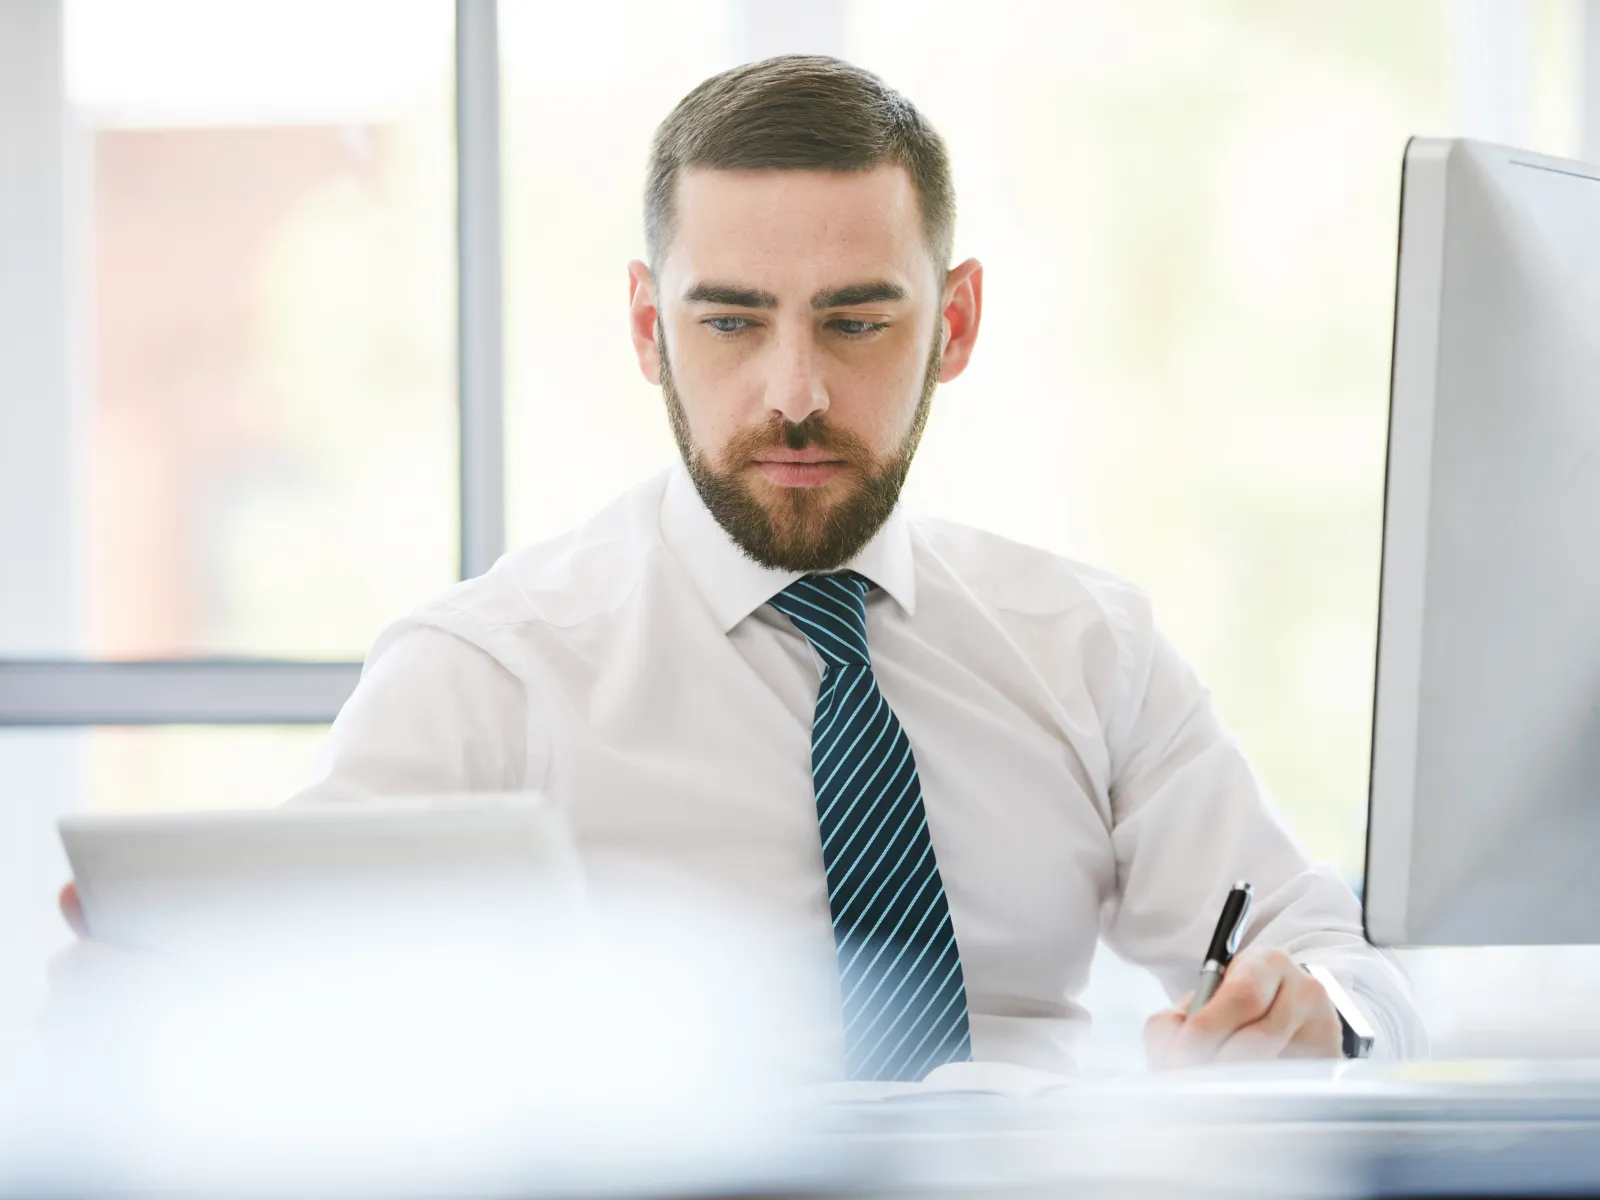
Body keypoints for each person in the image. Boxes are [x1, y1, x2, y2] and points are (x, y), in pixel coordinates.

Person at [61, 54, 1424, 1079]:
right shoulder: (491, 675)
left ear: (953, 322)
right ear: (649, 328)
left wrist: (1317, 1011)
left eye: (855, 321)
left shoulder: (1089, 650)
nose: (791, 393)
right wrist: (164, 984)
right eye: (729, 322)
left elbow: (1348, 963)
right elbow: (270, 986)